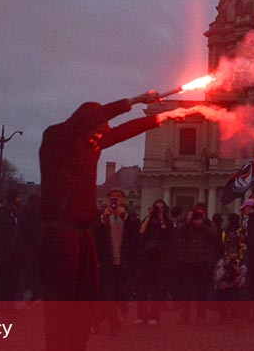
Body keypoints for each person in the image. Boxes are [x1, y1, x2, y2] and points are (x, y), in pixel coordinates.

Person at [38, 91, 160, 351]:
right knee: (61, 300)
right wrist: (135, 101)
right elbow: (98, 123)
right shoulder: (57, 136)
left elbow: (121, 132)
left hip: (83, 233)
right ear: (87, 122)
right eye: (99, 128)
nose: (101, 136)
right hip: (59, 232)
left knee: (86, 297)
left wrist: (163, 118)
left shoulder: (89, 142)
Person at [92, 189, 131, 335]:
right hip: (106, 262)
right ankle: (114, 323)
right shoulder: (101, 217)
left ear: (123, 200)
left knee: (119, 294)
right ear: (108, 200)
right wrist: (103, 219)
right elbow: (92, 233)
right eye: (112, 197)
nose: (115, 199)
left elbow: (136, 231)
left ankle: (97, 321)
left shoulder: (128, 216)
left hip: (123, 262)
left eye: (118, 197)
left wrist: (125, 216)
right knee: (109, 294)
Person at [177, 208, 220, 324]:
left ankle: (201, 315)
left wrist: (202, 225)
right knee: (186, 291)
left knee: (202, 291)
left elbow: (215, 237)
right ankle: (184, 315)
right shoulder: (187, 227)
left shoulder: (208, 225)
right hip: (188, 262)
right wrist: (188, 222)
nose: (196, 218)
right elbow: (178, 234)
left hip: (203, 263)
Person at [135, 199, 174, 325]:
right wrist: (149, 216)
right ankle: (141, 316)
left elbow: (166, 232)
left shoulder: (168, 222)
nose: (158, 210)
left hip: (160, 258)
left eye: (161, 208)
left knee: (157, 290)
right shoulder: (148, 220)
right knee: (143, 288)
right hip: (146, 258)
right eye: (156, 207)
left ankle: (154, 316)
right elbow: (141, 232)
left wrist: (161, 217)